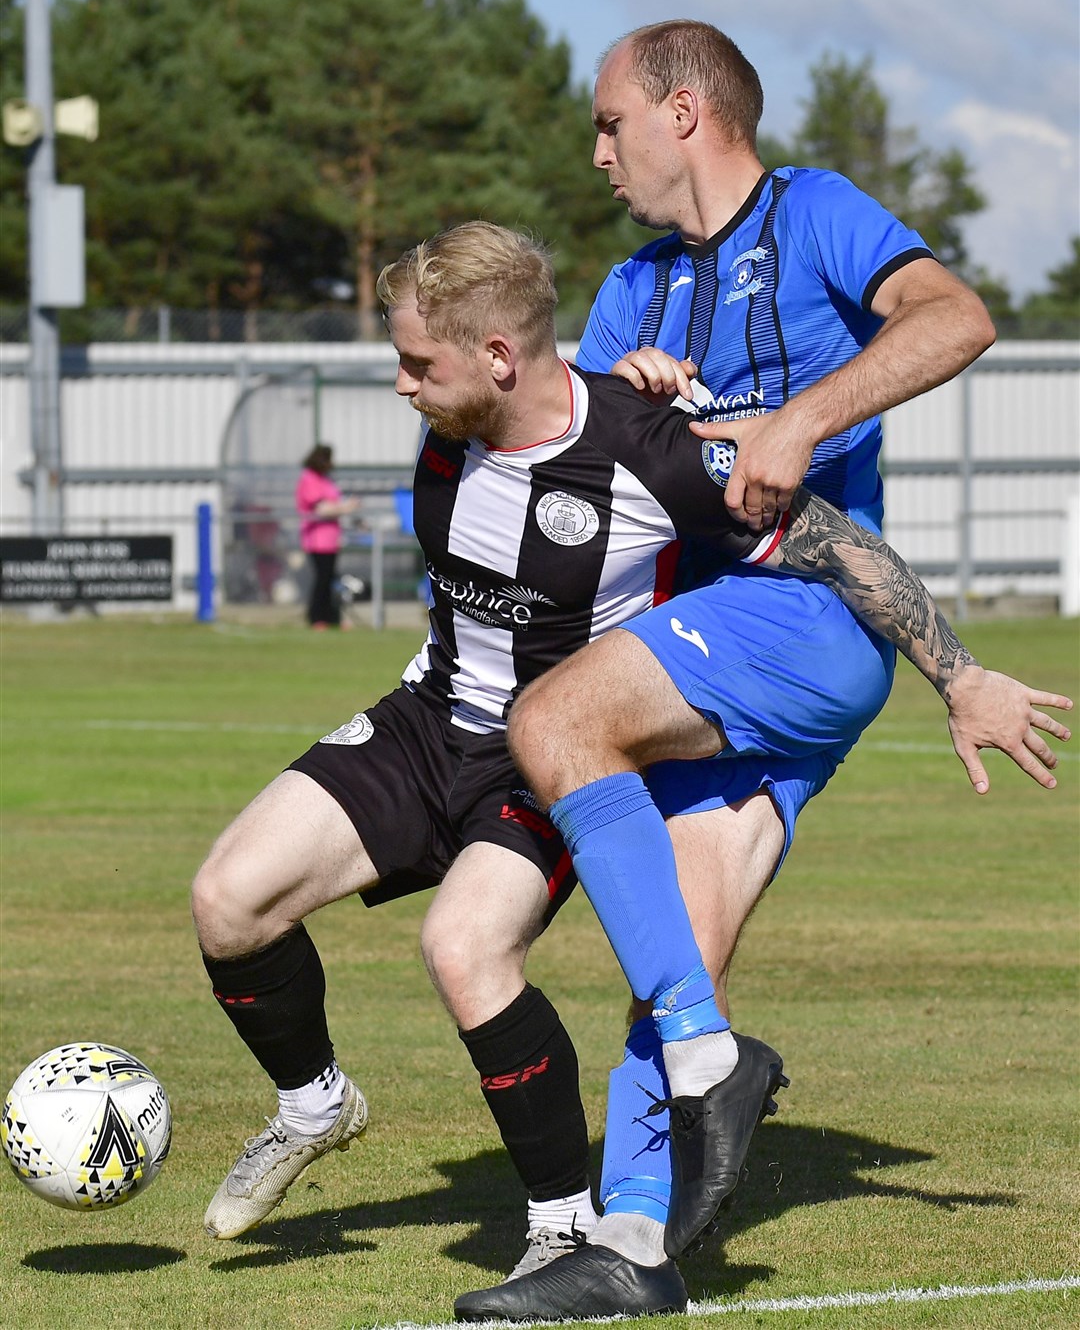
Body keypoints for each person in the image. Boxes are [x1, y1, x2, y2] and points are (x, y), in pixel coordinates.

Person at [189, 226, 1069, 1322]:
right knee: (228, 902)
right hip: (428, 719)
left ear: (501, 354)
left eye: (420, 362)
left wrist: (959, 673)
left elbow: (835, 546)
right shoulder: (456, 425)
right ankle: (314, 1105)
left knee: (463, 950)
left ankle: (562, 1223)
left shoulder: (650, 447)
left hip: (544, 760)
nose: (401, 382)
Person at [450, 18, 1053, 1322]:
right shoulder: (631, 293)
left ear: (683, 114)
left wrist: (802, 414)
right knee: (679, 940)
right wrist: (611, 401)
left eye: (610, 120)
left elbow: (957, 317)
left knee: (557, 720)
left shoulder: (818, 216)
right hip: (725, 653)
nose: (595, 148)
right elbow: (568, 469)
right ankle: (633, 1246)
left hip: (802, 617)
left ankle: (712, 1063)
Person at [295, 444, 360, 629]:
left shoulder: (325, 480)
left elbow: (333, 504)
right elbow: (321, 509)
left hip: (331, 539)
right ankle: (317, 617)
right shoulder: (309, 479)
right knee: (322, 579)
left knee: (330, 579)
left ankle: (332, 617)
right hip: (317, 540)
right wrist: (347, 507)